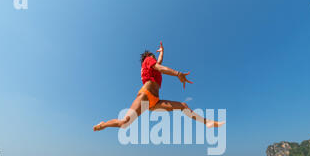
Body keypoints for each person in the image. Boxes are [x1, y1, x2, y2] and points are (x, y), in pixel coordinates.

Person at [93, 42, 225, 131]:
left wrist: (162, 51)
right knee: (124, 123)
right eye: (154, 57)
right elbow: (159, 66)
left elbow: (159, 62)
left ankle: (207, 122)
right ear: (149, 57)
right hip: (145, 96)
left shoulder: (153, 66)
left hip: (154, 102)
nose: (155, 58)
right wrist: (178, 74)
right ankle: (103, 124)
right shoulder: (148, 60)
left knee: (183, 106)